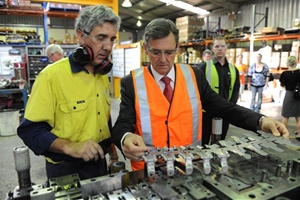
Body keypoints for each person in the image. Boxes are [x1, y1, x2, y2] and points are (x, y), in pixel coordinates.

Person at [111, 18, 289, 171]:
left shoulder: (194, 75)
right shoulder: (132, 82)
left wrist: (260, 120)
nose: (163, 59)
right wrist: (125, 138)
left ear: (177, 48)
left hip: (190, 164)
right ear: (146, 48)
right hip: (148, 168)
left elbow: (223, 107)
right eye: (156, 52)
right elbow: (122, 124)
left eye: (169, 52)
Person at [17, 5, 121, 180]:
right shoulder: (51, 76)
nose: (108, 47)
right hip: (65, 170)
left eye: (112, 39)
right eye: (101, 38)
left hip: (99, 163)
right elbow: (30, 131)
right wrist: (70, 147)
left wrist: (114, 154)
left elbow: (104, 121)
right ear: (81, 36)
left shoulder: (102, 76)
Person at [198, 36, 240, 144]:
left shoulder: (233, 69)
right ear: (213, 48)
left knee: (220, 142)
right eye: (217, 46)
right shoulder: (204, 67)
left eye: (222, 46)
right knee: (204, 142)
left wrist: (230, 107)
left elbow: (235, 90)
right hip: (206, 112)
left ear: (226, 48)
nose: (220, 49)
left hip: (224, 111)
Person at [279, 55, 300, 137]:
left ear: (288, 63)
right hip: (298, 95)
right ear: (296, 62)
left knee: (285, 116)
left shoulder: (285, 74)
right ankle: (299, 135)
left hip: (289, 95)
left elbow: (282, 85)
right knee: (298, 117)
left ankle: (284, 134)